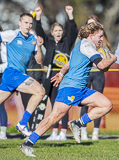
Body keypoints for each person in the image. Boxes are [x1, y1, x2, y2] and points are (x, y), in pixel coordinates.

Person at [19, 21, 117, 157]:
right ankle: (28, 143)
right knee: (54, 117)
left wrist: (60, 73)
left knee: (106, 105)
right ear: (91, 35)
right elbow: (101, 65)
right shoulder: (87, 45)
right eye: (100, 36)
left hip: (81, 88)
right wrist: (113, 59)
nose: (101, 39)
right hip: (71, 88)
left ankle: (77, 123)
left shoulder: (83, 45)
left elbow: (69, 63)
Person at [0, 13, 45, 137]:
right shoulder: (12, 34)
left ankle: (22, 123)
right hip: (12, 74)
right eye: (26, 23)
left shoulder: (33, 39)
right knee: (40, 91)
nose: (28, 25)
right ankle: (22, 124)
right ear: (20, 23)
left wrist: (39, 46)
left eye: (30, 23)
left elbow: (39, 60)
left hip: (15, 77)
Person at [34, 6, 78, 141]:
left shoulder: (66, 41)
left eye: (60, 30)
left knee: (62, 104)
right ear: (52, 33)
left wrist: (70, 14)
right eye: (56, 31)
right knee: (53, 104)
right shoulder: (49, 42)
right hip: (50, 76)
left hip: (63, 76)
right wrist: (38, 16)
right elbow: (39, 31)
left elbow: (74, 31)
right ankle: (54, 132)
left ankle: (63, 132)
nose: (58, 32)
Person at [79, 15, 111, 141]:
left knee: (99, 103)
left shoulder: (102, 41)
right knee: (84, 103)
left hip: (98, 74)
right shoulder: (83, 41)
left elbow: (107, 56)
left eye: (94, 24)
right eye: (89, 24)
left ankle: (96, 132)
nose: (91, 26)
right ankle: (83, 131)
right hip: (86, 74)